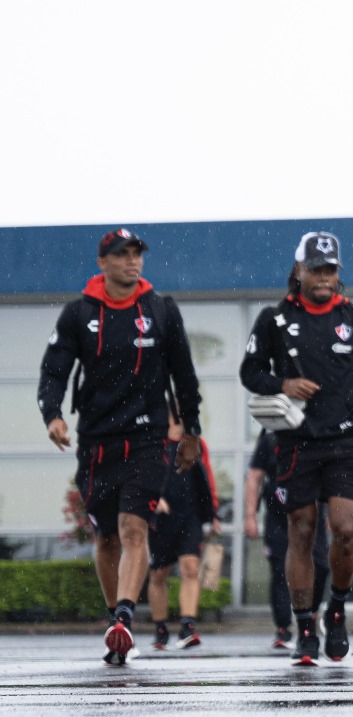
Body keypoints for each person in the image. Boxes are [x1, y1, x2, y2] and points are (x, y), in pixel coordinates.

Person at [38, 228, 204, 666]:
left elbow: (184, 376)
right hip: (97, 441)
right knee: (107, 536)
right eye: (122, 254)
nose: (132, 261)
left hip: (148, 438)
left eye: (137, 254)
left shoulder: (161, 310)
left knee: (134, 527)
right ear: (103, 262)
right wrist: (53, 415)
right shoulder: (78, 314)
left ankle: (126, 619)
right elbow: (54, 371)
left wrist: (191, 431)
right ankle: (116, 621)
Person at [240, 232, 353, 666]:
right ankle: (304, 628)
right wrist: (282, 383)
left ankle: (335, 610)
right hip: (295, 442)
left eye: (330, 269)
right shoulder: (274, 319)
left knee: (344, 527)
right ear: (298, 270)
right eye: (316, 269)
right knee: (301, 531)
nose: (324, 277)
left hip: (345, 442)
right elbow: (249, 372)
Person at [243, 428, 331, 651]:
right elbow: (254, 477)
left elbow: (329, 477)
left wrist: (333, 514)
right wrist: (250, 515)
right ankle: (283, 627)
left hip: (313, 515)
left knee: (320, 566)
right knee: (280, 571)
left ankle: (310, 614)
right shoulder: (270, 439)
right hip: (279, 518)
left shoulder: (317, 432)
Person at [147, 418, 220, 650]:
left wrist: (212, 512)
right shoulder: (153, 440)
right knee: (159, 574)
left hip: (191, 515)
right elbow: (141, 472)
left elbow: (207, 477)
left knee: (190, 568)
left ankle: (188, 627)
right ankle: (160, 628)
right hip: (161, 517)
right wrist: (152, 498)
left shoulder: (195, 442)